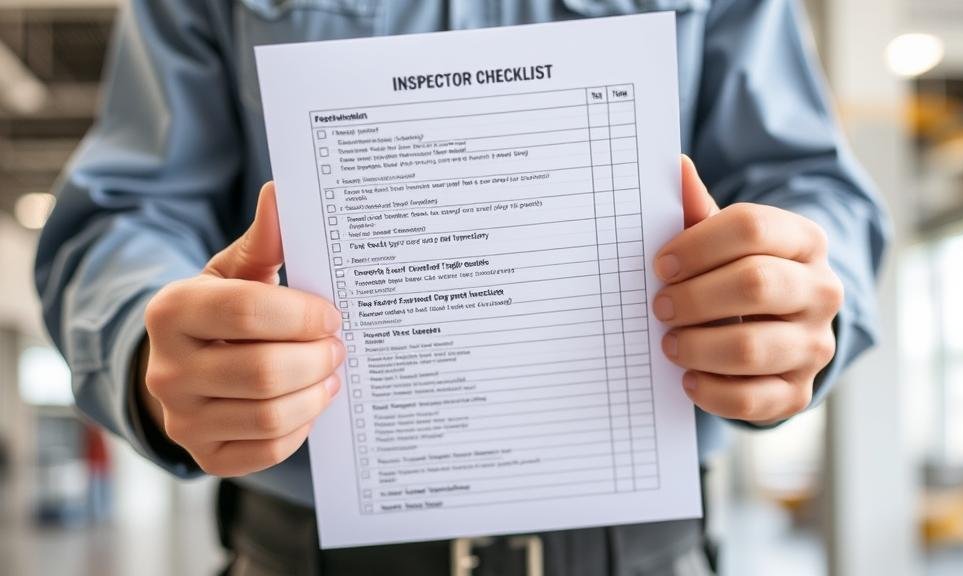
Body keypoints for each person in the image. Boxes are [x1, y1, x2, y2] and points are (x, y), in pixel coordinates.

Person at [35, 1, 888, 574]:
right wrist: (150, 349)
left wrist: (797, 294)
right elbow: (126, 211)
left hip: (640, 551)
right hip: (305, 549)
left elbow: (811, 188)